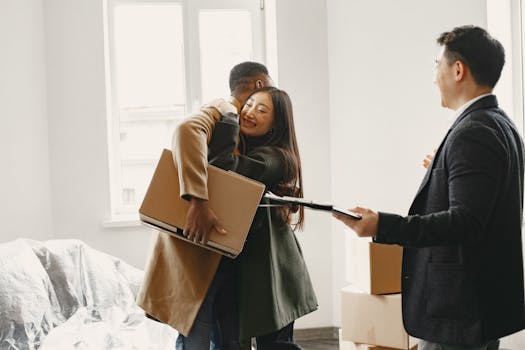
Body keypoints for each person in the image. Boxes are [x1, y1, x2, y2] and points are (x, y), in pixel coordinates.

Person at [333, 25, 525, 350]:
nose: (433, 76)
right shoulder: (498, 123)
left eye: (437, 65)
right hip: (476, 306)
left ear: (458, 69)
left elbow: (465, 222)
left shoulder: (473, 132)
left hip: (458, 311)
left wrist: (381, 224)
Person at [137, 62, 274, 349]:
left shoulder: (245, 123)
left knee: (228, 339)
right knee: (197, 336)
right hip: (198, 243)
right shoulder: (225, 108)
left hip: (225, 252)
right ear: (260, 85)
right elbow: (186, 129)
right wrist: (197, 202)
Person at [206, 87, 318, 349]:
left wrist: (228, 120)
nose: (249, 112)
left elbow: (225, 171)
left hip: (274, 272)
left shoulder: (277, 158)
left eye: (262, 110)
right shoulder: (249, 148)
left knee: (275, 346)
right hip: (250, 268)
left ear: (276, 124)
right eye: (249, 104)